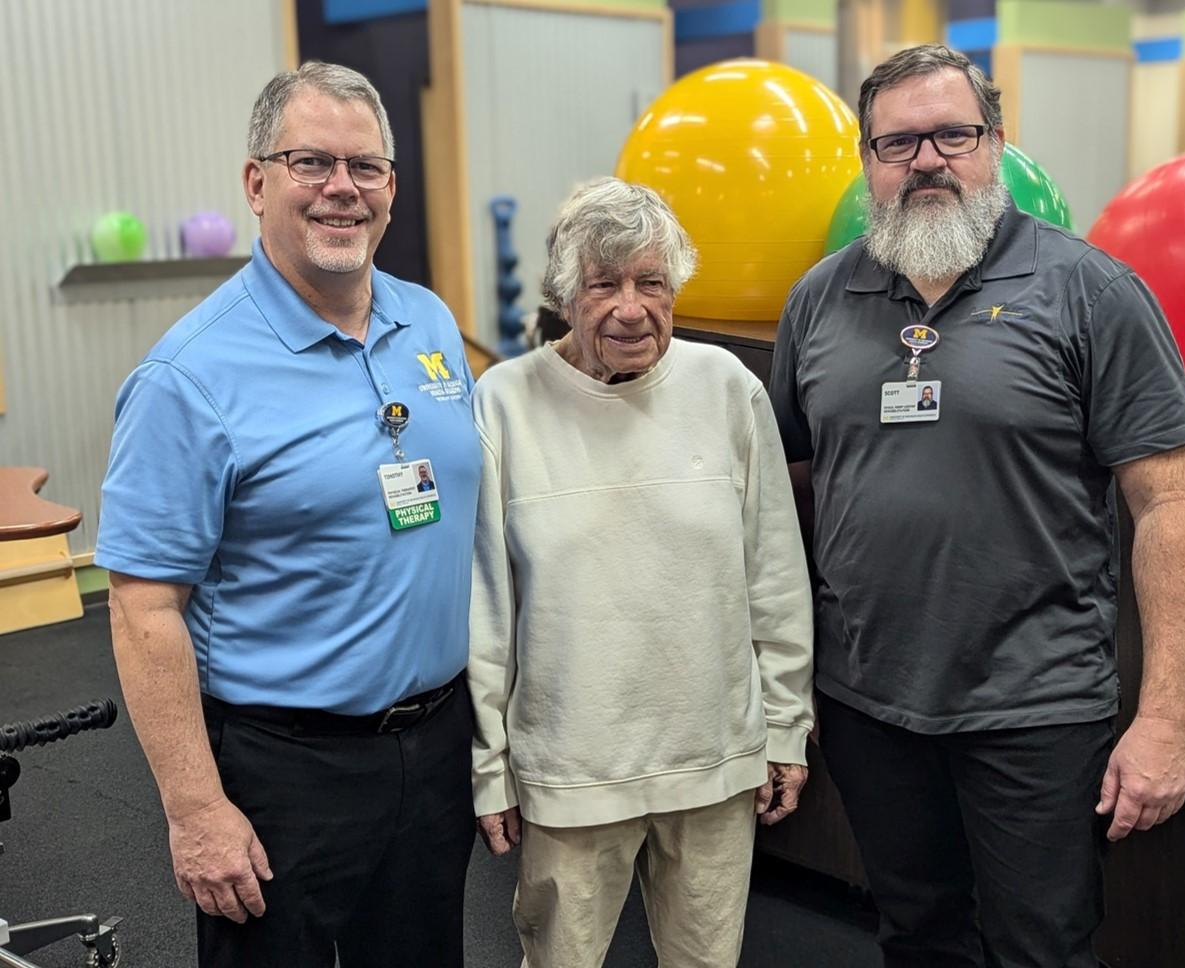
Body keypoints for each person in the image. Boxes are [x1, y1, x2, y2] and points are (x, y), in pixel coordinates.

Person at [769, 44, 1185, 968]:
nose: (925, 160)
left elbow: (1171, 504)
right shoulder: (820, 299)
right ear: (867, 161)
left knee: (1038, 948)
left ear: (997, 144)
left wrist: (1165, 720)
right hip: (868, 702)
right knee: (916, 936)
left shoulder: (1091, 293)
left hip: (1035, 709)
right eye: (897, 143)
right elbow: (789, 489)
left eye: (952, 134)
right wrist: (784, 681)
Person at [95, 62, 480, 968]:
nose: (342, 189)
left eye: (366, 167)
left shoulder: (427, 323)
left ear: (391, 187)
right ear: (256, 181)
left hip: (432, 750)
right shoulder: (186, 377)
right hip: (283, 770)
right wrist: (196, 811)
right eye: (311, 162)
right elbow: (142, 608)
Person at [469, 177, 815, 968]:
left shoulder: (727, 388)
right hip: (570, 769)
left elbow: (774, 573)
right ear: (565, 295)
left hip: (714, 757)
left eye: (650, 282)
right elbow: (486, 607)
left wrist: (785, 727)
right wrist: (491, 768)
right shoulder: (505, 403)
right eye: (604, 284)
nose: (631, 307)